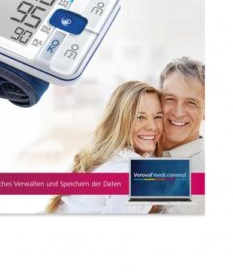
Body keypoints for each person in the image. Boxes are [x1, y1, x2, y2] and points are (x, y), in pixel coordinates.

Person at [46, 81, 163, 214]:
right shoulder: (134, 176)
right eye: (140, 117)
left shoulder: (92, 157)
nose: (152, 126)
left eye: (158, 116)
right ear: (119, 121)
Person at [158, 56, 205, 214]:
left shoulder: (200, 176)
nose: (178, 112)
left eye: (191, 103)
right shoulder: (140, 150)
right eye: (170, 99)